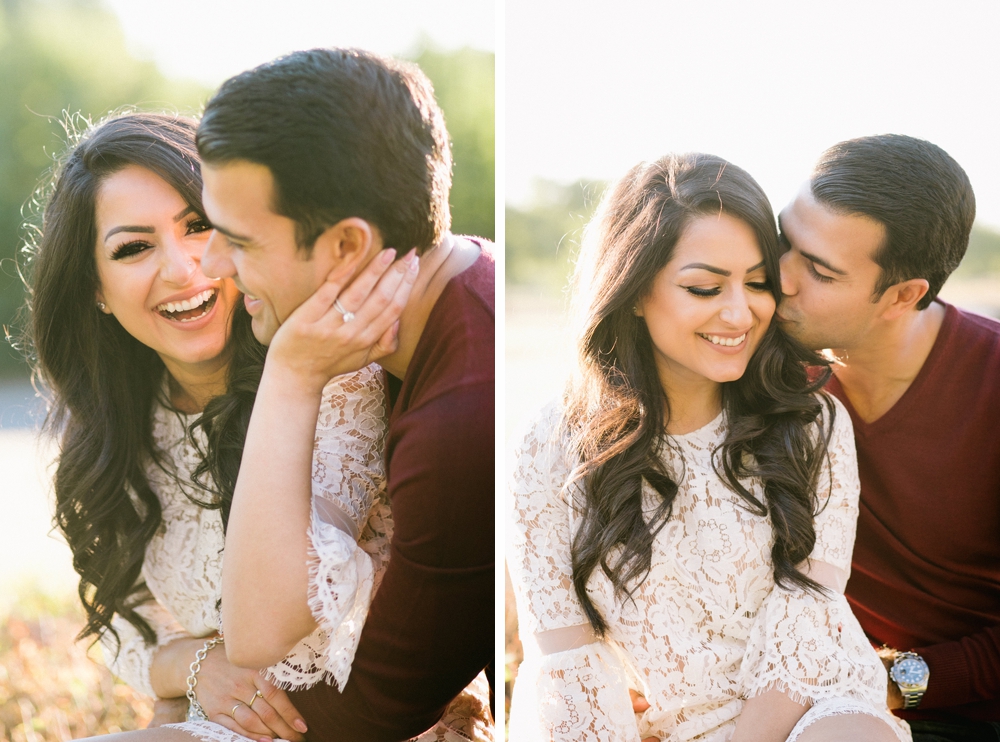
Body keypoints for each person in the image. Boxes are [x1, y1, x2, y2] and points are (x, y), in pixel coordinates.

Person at [24, 111, 489, 742]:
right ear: (95, 290)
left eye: (199, 226)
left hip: (353, 721)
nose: (186, 267)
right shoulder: (119, 425)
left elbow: (295, 611)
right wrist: (192, 666)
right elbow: (123, 623)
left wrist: (292, 372)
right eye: (134, 247)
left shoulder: (331, 371)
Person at [506, 153, 910, 742]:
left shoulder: (812, 422)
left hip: (808, 707)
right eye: (704, 287)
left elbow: (808, 616)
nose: (739, 312)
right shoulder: (547, 446)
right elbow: (567, 661)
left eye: (757, 283)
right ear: (636, 292)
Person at [190, 48, 495, 741]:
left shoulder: (466, 419)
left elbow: (366, 713)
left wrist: (291, 376)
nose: (211, 267)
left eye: (236, 240)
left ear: (347, 247)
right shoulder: (452, 281)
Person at [776, 134, 1000, 741]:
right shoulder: (768, 370)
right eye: (783, 243)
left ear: (903, 296)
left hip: (964, 713)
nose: (780, 280)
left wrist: (894, 683)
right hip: (811, 696)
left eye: (819, 270)